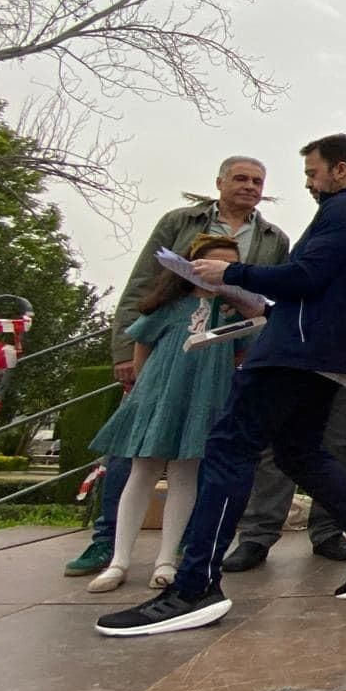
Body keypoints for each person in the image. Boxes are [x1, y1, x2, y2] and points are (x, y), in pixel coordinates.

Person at [96, 135, 346, 637]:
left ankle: (196, 584)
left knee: (229, 447)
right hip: (319, 351)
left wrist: (232, 272)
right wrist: (266, 309)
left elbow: (307, 276)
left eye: (312, 172)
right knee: (298, 453)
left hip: (297, 354)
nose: (308, 182)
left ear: (339, 169)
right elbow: (326, 288)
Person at [66, 156, 288, 578]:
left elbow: (265, 299)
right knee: (133, 455)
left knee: (200, 456)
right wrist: (124, 350)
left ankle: (185, 545)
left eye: (257, 181)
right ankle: (106, 543)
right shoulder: (181, 220)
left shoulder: (272, 238)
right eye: (240, 178)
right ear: (219, 181)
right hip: (166, 361)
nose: (249, 186)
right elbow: (144, 283)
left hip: (219, 360)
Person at [218, 202, 346, 572]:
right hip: (307, 348)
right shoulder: (320, 243)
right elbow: (299, 278)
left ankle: (331, 531)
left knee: (340, 443)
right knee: (279, 446)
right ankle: (257, 534)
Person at [84, 235, 266, 593]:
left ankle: (166, 559)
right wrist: (144, 390)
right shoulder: (171, 305)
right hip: (160, 397)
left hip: (205, 401)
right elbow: (143, 344)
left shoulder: (234, 312)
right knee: (142, 471)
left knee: (186, 476)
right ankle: (120, 559)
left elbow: (242, 352)